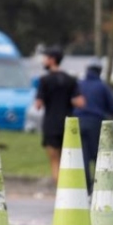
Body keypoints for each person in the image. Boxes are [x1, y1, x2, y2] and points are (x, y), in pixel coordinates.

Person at [34, 48, 85, 183]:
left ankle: (59, 188)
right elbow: (80, 102)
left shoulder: (44, 80)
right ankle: (68, 186)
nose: (44, 61)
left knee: (54, 160)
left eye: (45, 58)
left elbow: (38, 104)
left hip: (51, 123)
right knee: (66, 159)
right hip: (67, 123)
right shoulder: (70, 80)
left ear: (52, 59)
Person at [75, 64, 113, 193]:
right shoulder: (102, 86)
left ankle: (86, 186)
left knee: (83, 156)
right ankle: (99, 184)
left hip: (78, 122)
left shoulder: (78, 84)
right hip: (95, 122)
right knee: (97, 154)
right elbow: (112, 105)